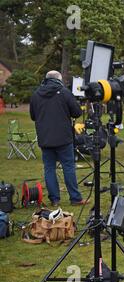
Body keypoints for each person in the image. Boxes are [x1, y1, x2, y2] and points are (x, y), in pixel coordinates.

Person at [30, 71, 88, 207]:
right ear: (59, 79)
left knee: (49, 168)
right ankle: (75, 198)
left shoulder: (36, 94)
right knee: (68, 167)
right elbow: (77, 112)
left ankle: (54, 199)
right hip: (63, 137)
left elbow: (33, 116)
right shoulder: (64, 92)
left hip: (45, 137)